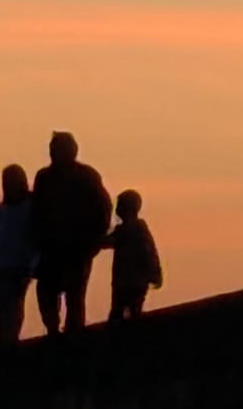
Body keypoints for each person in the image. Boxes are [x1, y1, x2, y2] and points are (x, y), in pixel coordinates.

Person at [30, 131, 111, 334]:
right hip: (52, 248)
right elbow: (36, 210)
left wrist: (93, 242)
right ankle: (55, 331)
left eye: (56, 149)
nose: (53, 154)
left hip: (78, 248)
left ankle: (71, 336)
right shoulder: (45, 177)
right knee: (48, 292)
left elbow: (103, 209)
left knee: (74, 295)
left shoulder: (86, 176)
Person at [101, 189, 164, 321]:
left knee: (122, 313)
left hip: (130, 281)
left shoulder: (130, 230)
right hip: (131, 281)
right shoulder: (134, 229)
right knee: (128, 312)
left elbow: (149, 252)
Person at [0, 164, 37, 346]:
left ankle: (8, 342)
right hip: (2, 265)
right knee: (4, 307)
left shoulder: (30, 206)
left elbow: (34, 235)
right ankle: (5, 342)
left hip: (19, 264)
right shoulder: (4, 208)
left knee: (10, 305)